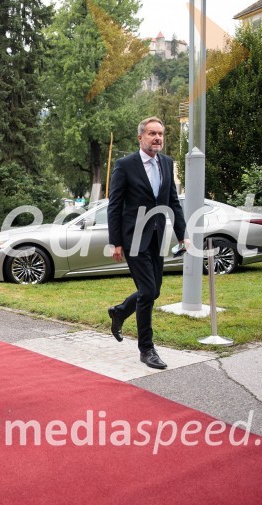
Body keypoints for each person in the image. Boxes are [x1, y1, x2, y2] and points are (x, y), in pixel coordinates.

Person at [107, 117, 189, 370]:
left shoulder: (166, 163)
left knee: (153, 291)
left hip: (157, 236)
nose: (157, 138)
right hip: (133, 238)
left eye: (160, 134)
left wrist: (182, 234)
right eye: (152, 133)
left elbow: (173, 202)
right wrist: (115, 242)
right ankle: (146, 349)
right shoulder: (125, 165)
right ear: (140, 137)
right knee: (148, 291)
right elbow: (114, 206)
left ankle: (120, 311)